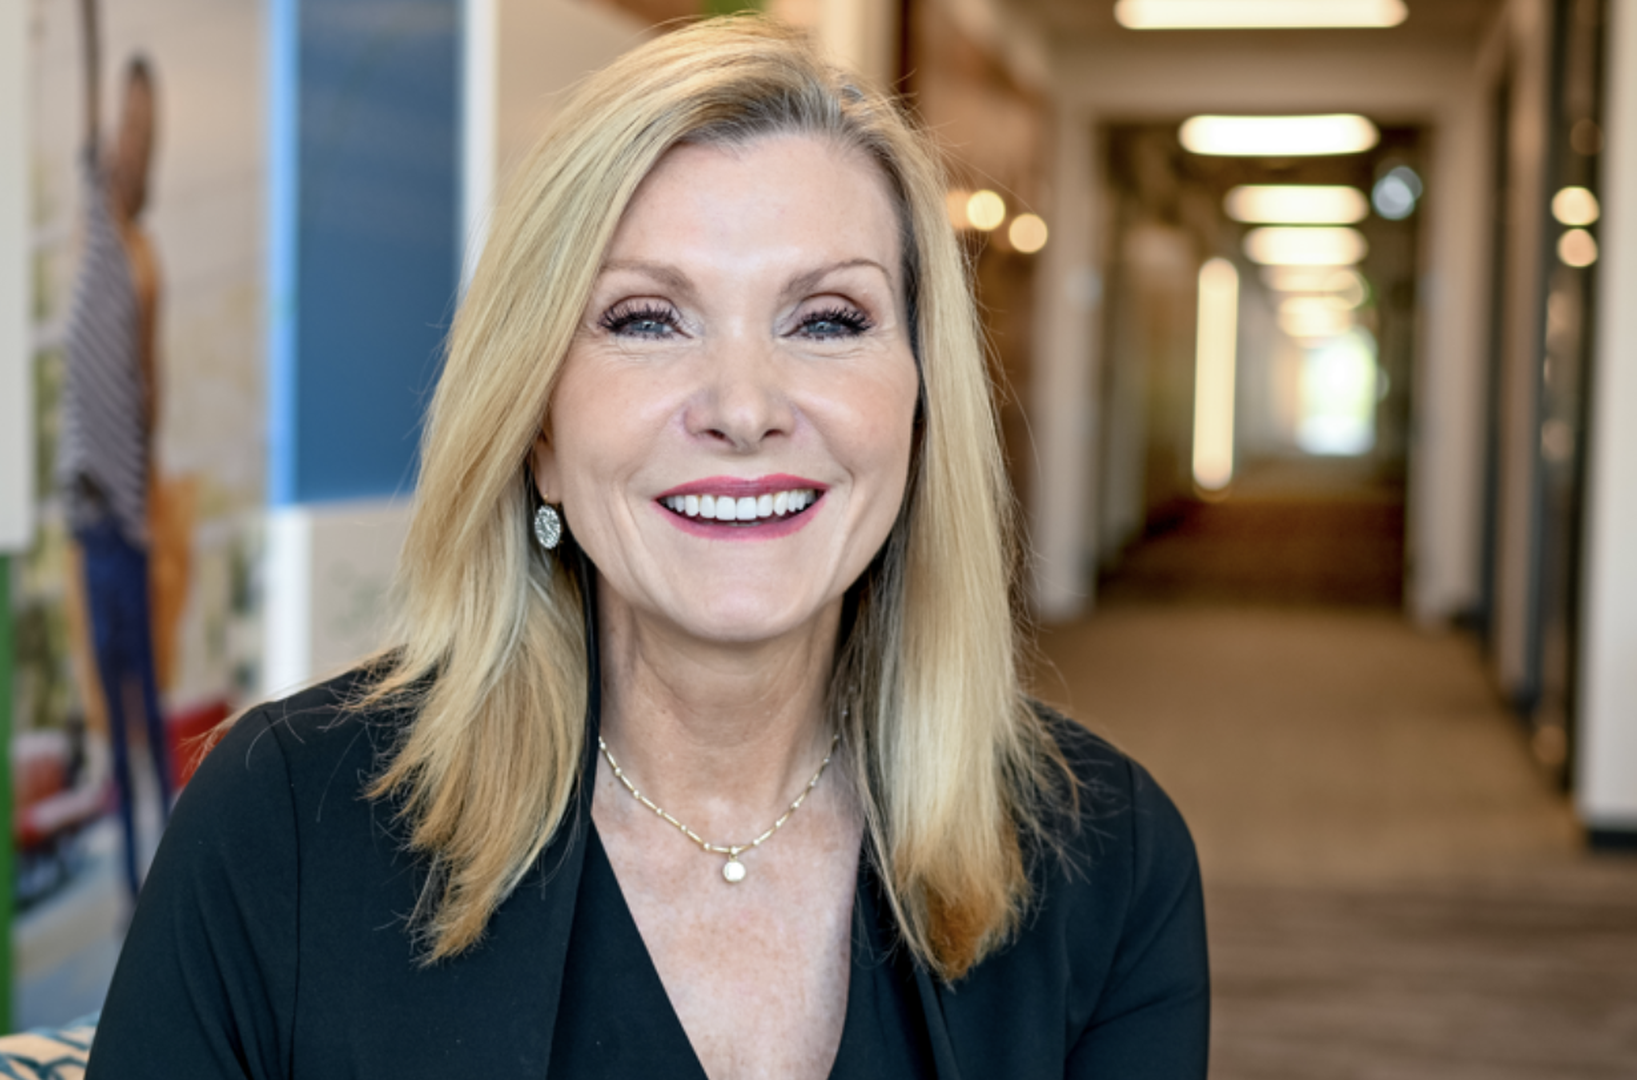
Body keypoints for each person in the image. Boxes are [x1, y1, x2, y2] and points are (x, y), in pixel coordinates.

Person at [87, 18, 1208, 1079]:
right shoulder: (283, 828)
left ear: (921, 410)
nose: (743, 405)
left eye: (826, 320)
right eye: (646, 320)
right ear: (538, 429)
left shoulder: (1106, 861)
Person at [55, 0, 169, 903]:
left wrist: (152, 512)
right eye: (120, 124)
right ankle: (135, 887)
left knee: (150, 714)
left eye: (142, 128)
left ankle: (162, 879)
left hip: (128, 515)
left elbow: (148, 388)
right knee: (117, 712)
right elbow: (91, 87)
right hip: (92, 512)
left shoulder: (141, 257)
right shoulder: (93, 224)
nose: (126, 141)